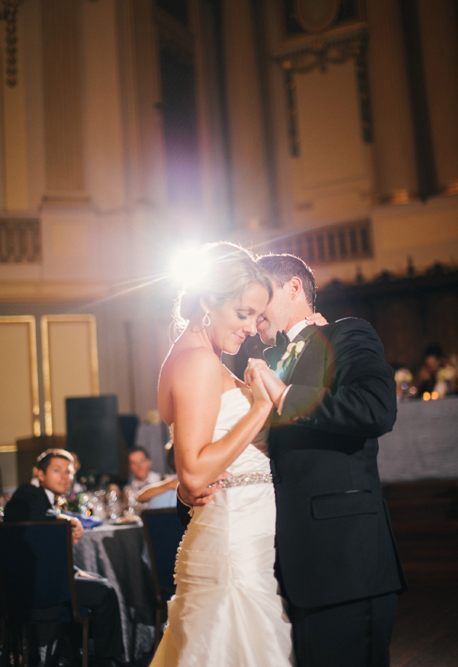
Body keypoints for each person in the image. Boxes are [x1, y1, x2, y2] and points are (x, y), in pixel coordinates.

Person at [180, 252, 406, 667]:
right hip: (274, 565)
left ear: (293, 288)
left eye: (261, 295)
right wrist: (197, 482)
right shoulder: (262, 362)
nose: (251, 310)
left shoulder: (346, 335)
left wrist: (284, 396)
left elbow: (377, 409)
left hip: (343, 563)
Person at [149, 242, 293, 666]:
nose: (251, 327)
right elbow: (193, 473)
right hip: (233, 551)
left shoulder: (200, 356)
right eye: (242, 313)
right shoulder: (197, 361)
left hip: (240, 541)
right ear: (209, 301)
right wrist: (262, 408)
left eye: (257, 315)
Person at [4, 449, 124, 667]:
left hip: (52, 578)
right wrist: (63, 518)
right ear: (40, 474)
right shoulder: (29, 493)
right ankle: (108, 660)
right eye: (57, 471)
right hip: (38, 586)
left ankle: (76, 655)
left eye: (69, 472)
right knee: (105, 591)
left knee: (101, 582)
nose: (65, 477)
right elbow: (15, 512)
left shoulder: (53, 502)